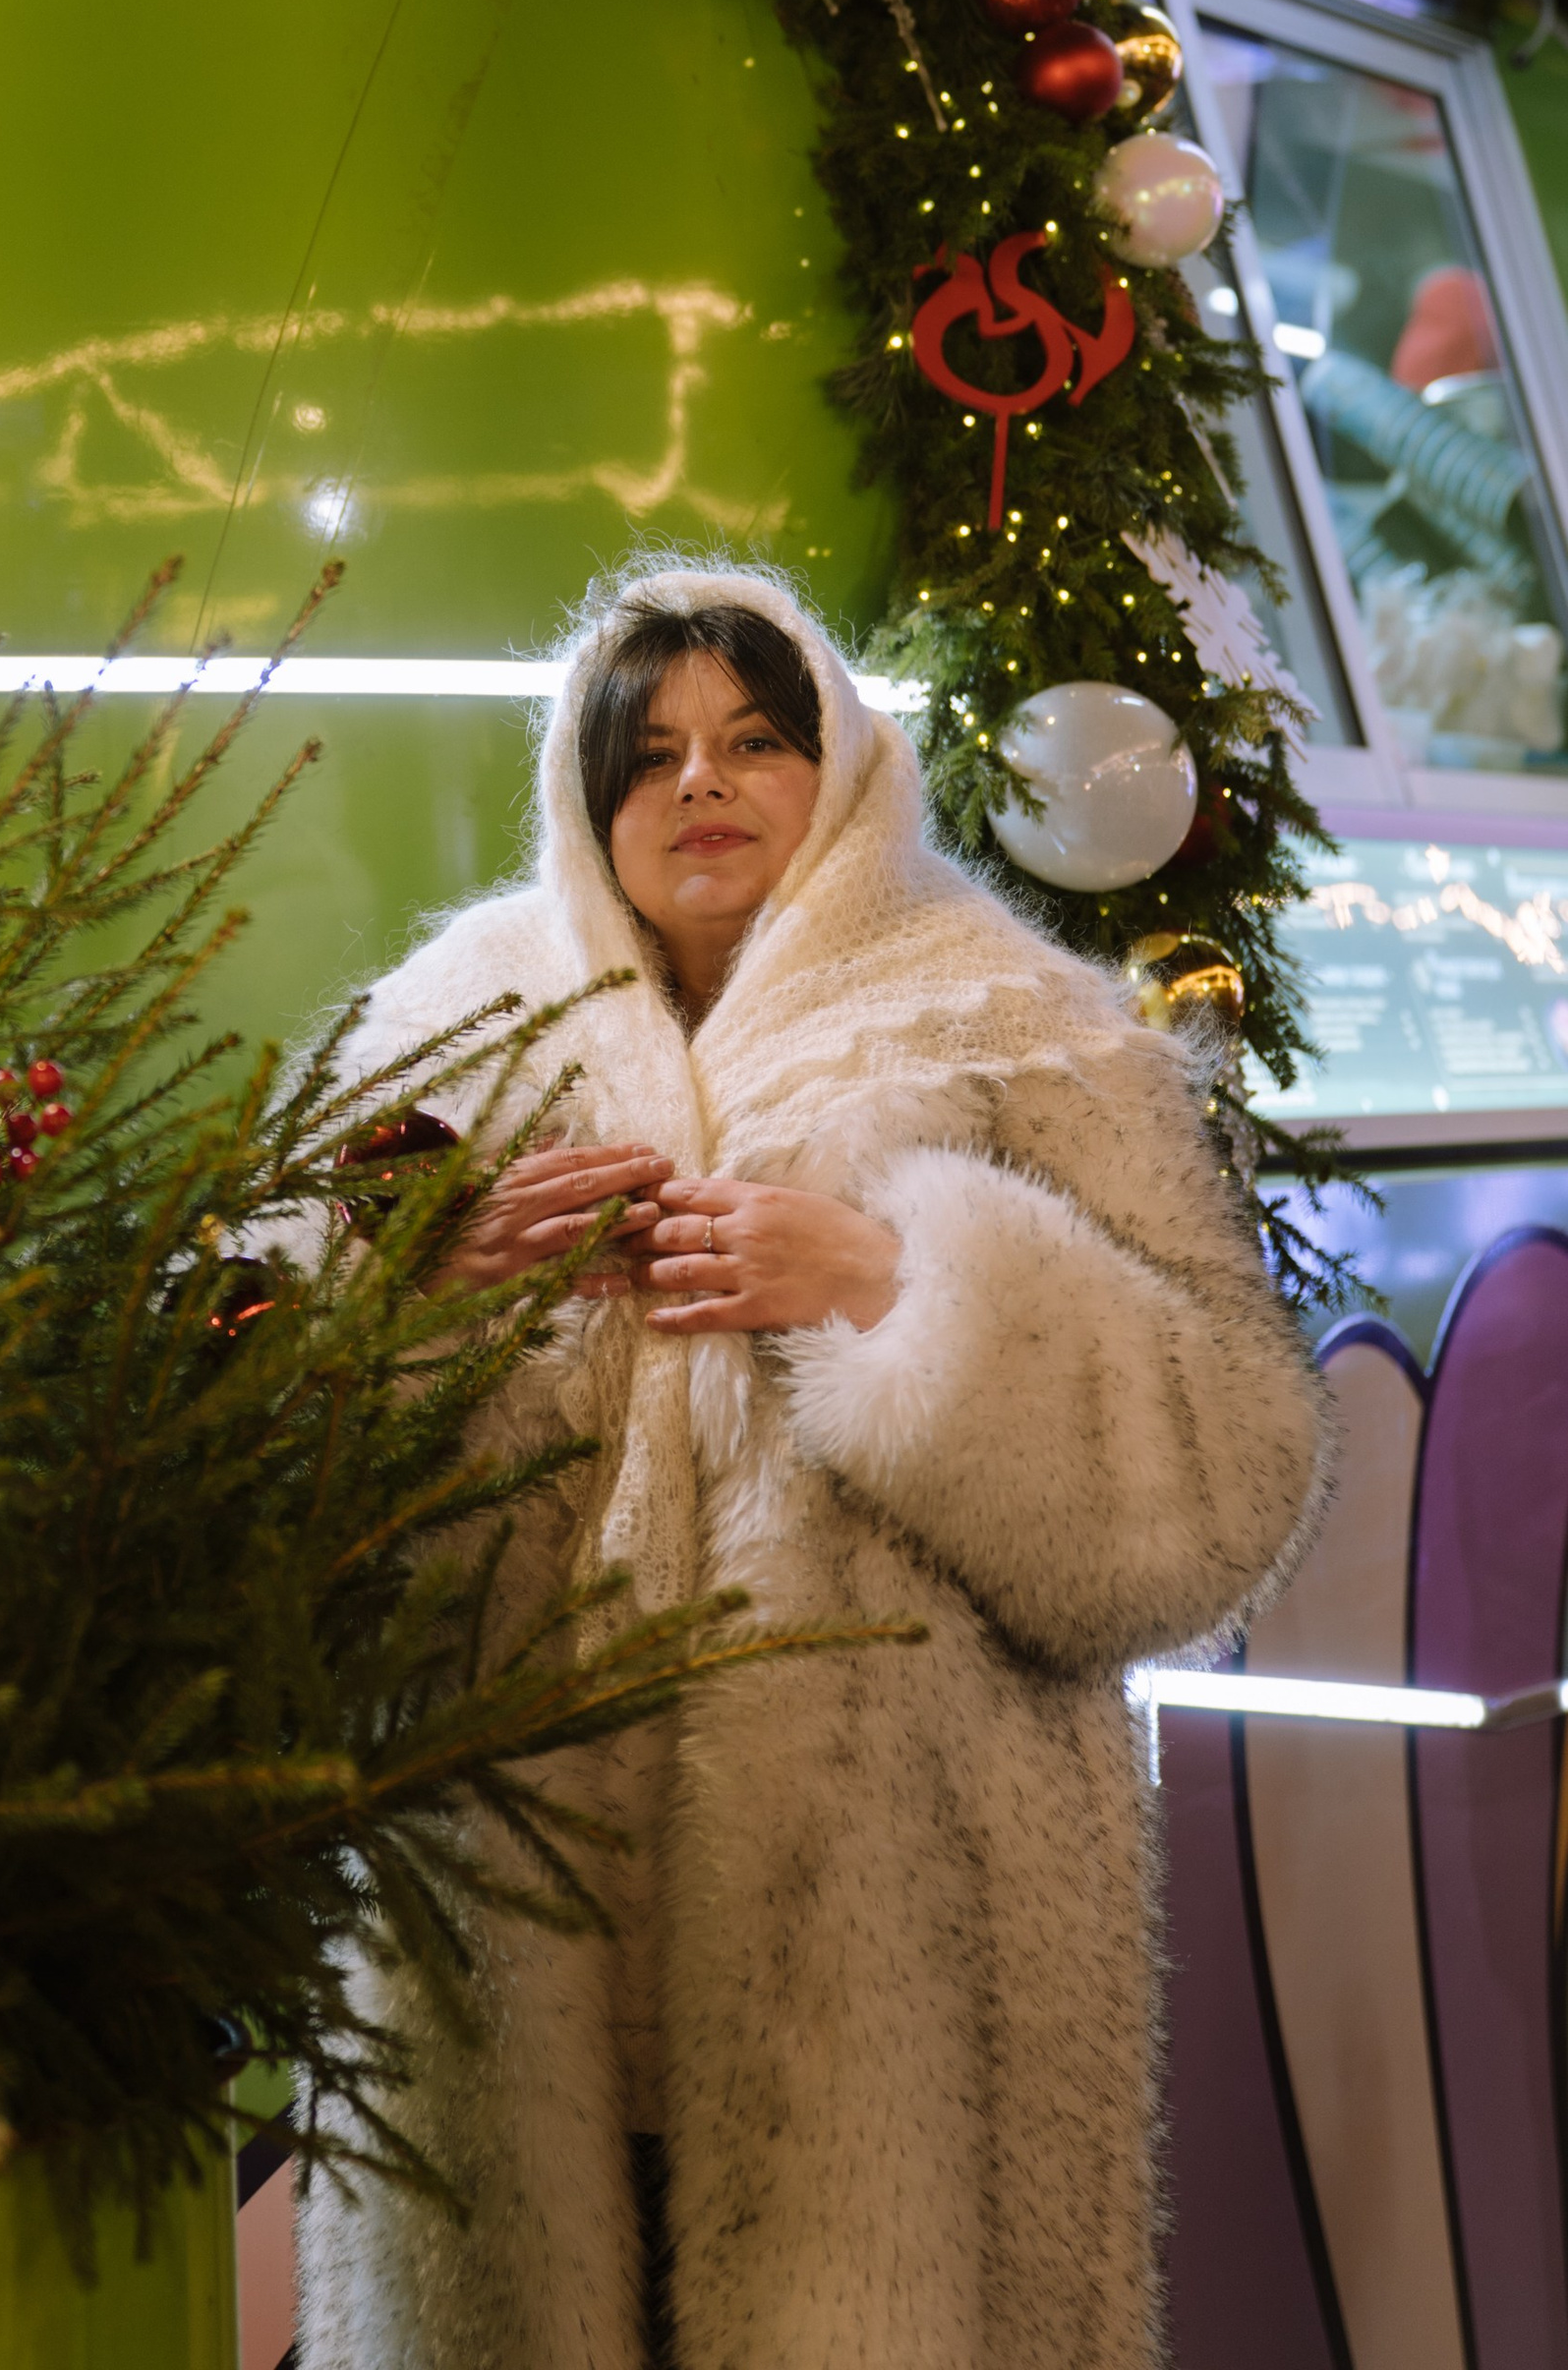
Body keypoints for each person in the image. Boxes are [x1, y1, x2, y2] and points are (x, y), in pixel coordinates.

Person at [297, 561, 1323, 2370]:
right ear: (587, 796)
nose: (700, 784)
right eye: (653, 755)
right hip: (517, 1933)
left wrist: (899, 1287)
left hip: (900, 1949)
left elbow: (1223, 1473)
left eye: (754, 740)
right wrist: (411, 1286)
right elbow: (246, 1435)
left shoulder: (1020, 1020)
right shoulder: (441, 1034)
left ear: (837, 762)